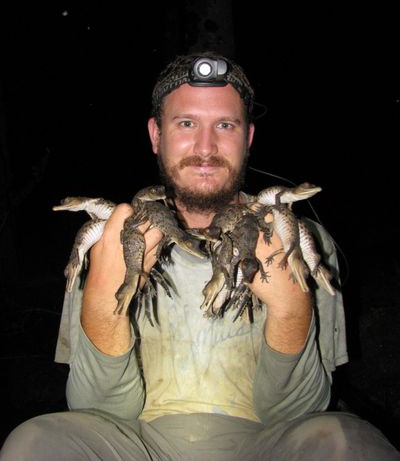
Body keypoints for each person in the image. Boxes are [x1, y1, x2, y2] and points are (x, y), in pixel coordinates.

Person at [1, 52, 398, 460]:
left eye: (225, 125)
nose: (206, 147)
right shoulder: (106, 243)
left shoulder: (299, 237)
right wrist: (104, 305)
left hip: (263, 445)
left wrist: (291, 311)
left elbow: (297, 414)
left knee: (349, 443)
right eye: (186, 123)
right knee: (33, 444)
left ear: (247, 138)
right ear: (156, 134)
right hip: (138, 443)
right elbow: (99, 412)